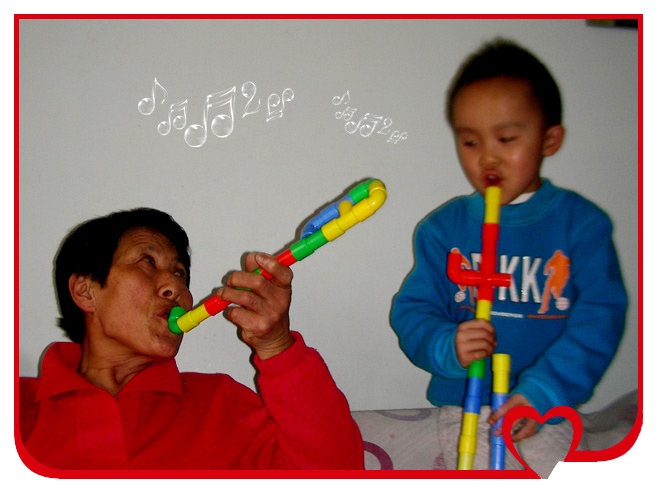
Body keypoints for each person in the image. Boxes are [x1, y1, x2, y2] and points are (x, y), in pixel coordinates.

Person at [390, 39, 627, 476]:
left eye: (506, 138)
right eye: (469, 142)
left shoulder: (581, 225)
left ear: (549, 139)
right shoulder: (443, 229)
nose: (487, 157)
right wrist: (446, 344)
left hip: (544, 408)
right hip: (464, 403)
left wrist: (544, 392)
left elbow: (600, 319)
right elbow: (412, 312)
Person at [19, 208, 364, 470]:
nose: (175, 287)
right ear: (85, 291)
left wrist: (276, 346)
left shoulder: (220, 404)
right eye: (147, 262)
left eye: (180, 274)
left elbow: (337, 473)